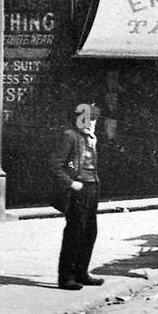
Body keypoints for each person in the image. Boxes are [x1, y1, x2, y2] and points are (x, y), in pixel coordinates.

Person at [50, 101, 105, 291]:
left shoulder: (91, 138)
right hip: (78, 189)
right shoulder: (70, 136)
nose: (92, 124)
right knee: (74, 232)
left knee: (90, 232)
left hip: (92, 187)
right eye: (89, 119)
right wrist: (71, 182)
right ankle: (66, 277)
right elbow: (56, 165)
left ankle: (82, 272)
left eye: (95, 120)